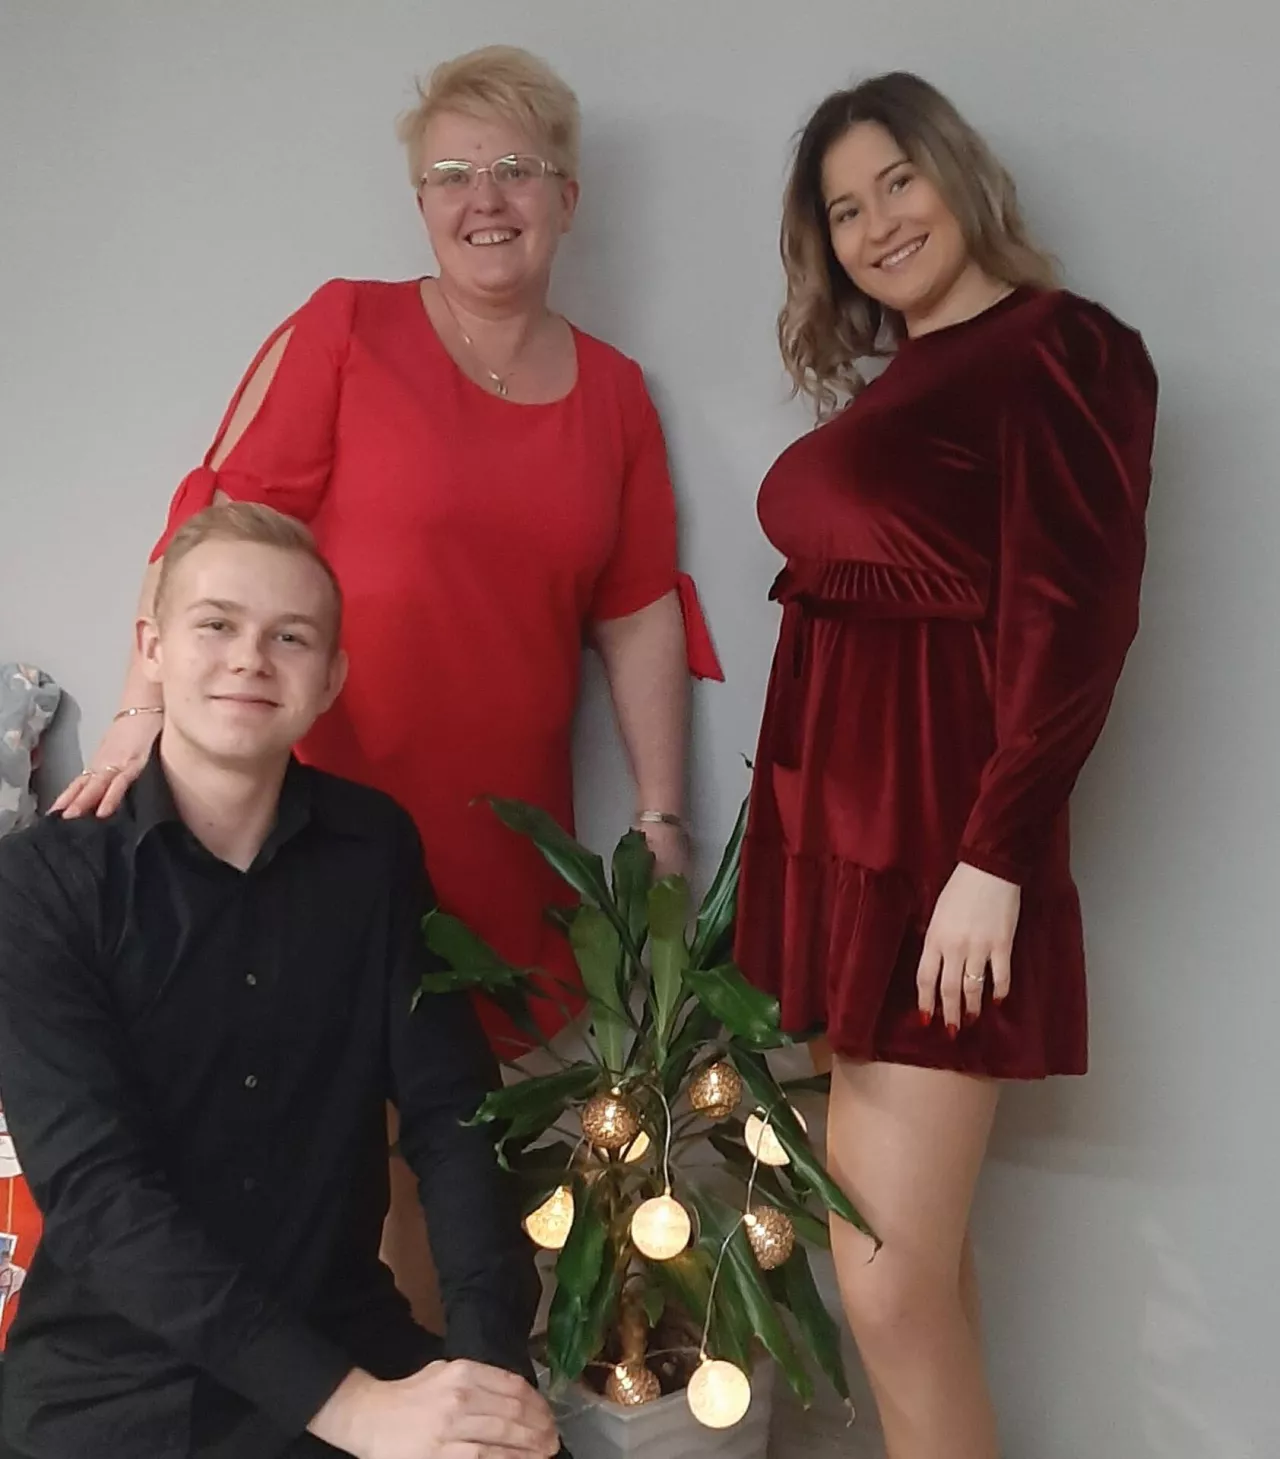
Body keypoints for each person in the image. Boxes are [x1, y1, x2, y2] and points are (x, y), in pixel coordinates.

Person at [53, 44, 720, 1323]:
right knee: (294, 1140)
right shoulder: (346, 327)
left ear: (567, 196)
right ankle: (299, 1393)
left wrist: (659, 815)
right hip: (320, 819)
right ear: (418, 201)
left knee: (453, 1160)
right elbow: (213, 532)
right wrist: (142, 714)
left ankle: (434, 1390)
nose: (486, 197)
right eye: (452, 173)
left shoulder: (616, 394)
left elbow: (637, 611)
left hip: (498, 832)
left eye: (516, 167)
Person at [735, 72, 1158, 1459]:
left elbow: (1076, 621)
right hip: (840, 850)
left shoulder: (1060, 348)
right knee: (911, 1271)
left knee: (885, 1277)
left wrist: (994, 857)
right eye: (844, 210)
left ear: (954, 173)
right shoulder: (905, 381)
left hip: (937, 852)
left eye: (896, 182)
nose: (876, 225)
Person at [0, 503, 559, 1459]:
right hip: (118, 1383)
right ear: (154, 648)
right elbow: (99, 1199)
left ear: (331, 676)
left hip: (343, 1328)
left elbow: (454, 1113)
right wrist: (355, 1411)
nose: (250, 659)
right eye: (216, 624)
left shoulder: (374, 849)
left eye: (290, 636)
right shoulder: (40, 881)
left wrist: (488, 1371)